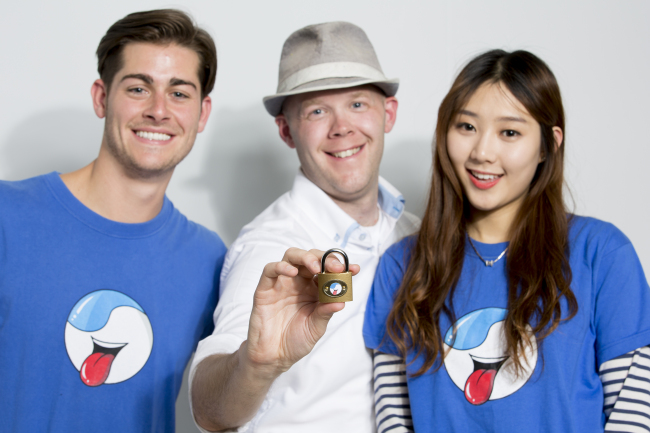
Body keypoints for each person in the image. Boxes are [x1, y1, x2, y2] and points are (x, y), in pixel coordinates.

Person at [363, 49, 650, 432]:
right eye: (466, 127)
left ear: (548, 145)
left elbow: (633, 409)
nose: (482, 152)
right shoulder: (402, 264)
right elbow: (394, 416)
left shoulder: (601, 253)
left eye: (509, 132)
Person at [0, 9, 227, 432]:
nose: (159, 111)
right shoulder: (6, 218)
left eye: (179, 93)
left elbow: (226, 406)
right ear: (101, 98)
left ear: (202, 112)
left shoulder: (209, 259)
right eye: (139, 88)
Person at [190, 22, 419, 432]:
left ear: (389, 114)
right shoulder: (272, 251)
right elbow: (209, 408)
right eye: (317, 110)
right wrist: (256, 364)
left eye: (357, 104)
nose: (341, 127)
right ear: (286, 130)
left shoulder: (420, 237)